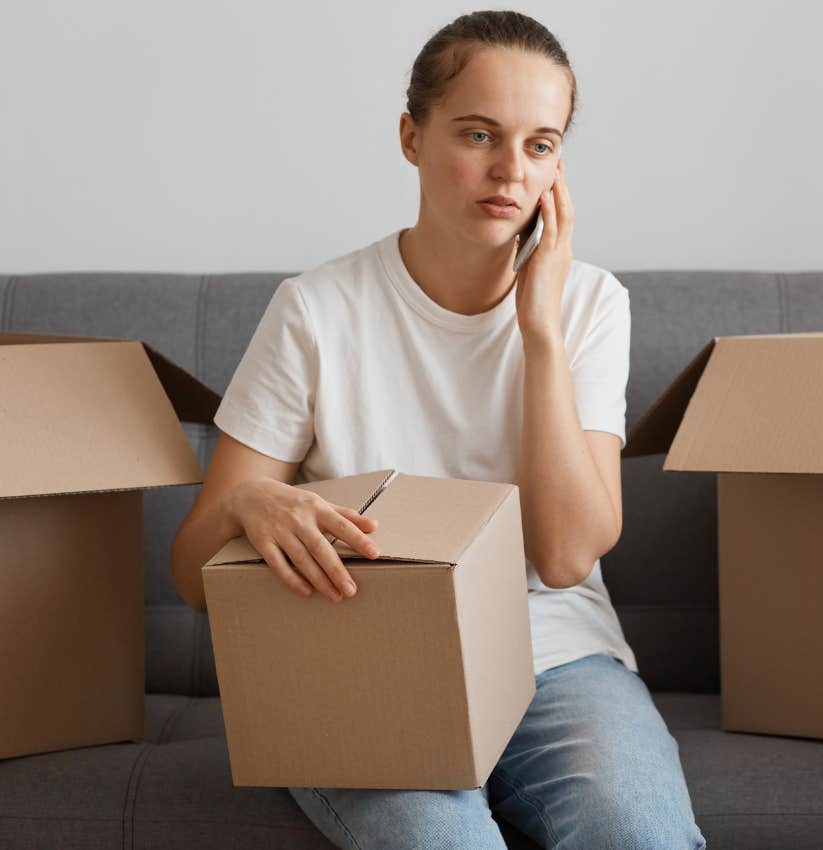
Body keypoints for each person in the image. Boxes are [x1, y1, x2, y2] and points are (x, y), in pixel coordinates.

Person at [170, 9, 708, 850]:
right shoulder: (315, 309)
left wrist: (540, 332)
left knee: (636, 832)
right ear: (411, 137)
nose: (508, 171)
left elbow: (567, 556)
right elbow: (193, 571)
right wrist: (251, 509)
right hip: (358, 658)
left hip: (555, 658)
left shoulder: (589, 305)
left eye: (539, 144)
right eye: (478, 133)